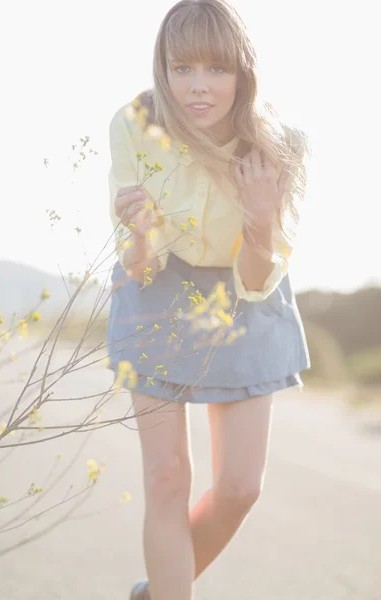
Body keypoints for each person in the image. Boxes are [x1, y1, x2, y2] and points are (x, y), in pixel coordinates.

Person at [106, 1, 311, 598]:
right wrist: (140, 230)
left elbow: (255, 279)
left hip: (249, 288)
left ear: (243, 73)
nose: (197, 87)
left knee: (241, 487)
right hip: (157, 285)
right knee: (166, 476)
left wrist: (262, 218)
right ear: (161, 68)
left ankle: (157, 592)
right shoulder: (133, 122)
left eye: (216, 70)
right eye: (181, 67)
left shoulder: (280, 143)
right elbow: (140, 266)